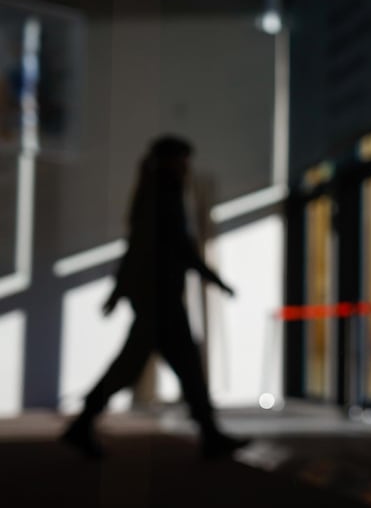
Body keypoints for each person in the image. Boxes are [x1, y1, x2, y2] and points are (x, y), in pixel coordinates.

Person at [61, 135, 249, 458]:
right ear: (173, 160)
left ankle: (83, 425)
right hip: (160, 302)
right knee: (170, 367)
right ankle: (210, 434)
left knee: (145, 367)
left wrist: (119, 293)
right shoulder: (165, 193)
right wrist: (216, 280)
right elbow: (175, 248)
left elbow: (137, 248)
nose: (187, 166)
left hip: (153, 300)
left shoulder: (152, 192)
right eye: (184, 159)